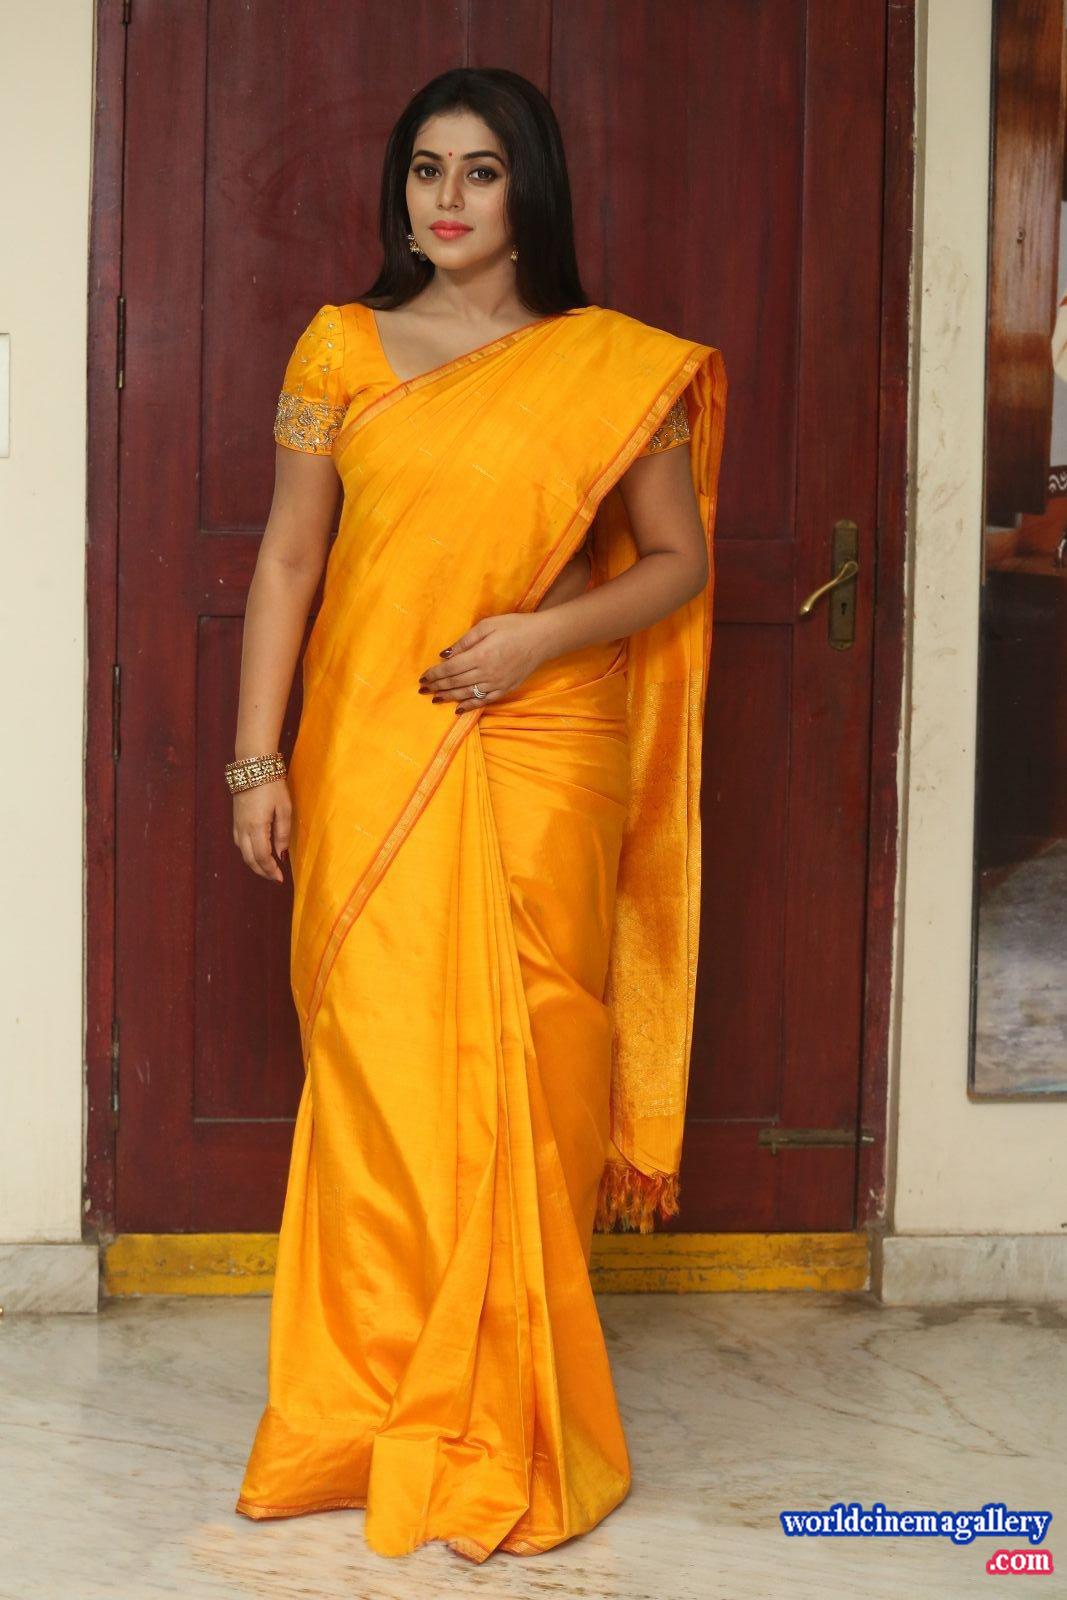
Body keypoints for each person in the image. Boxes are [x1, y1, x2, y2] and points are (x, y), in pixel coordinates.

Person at [230, 65, 727, 1564]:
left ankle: (504, 1410)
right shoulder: (342, 345)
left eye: (482, 171)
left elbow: (678, 562)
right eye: (426, 169)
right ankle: (364, 1413)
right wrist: (258, 761)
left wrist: (536, 639)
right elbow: (289, 560)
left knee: (540, 1062)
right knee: (378, 1081)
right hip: (374, 747)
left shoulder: (609, 366)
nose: (446, 199)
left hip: (543, 749)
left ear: (531, 193)